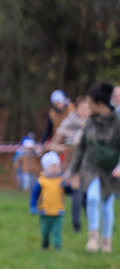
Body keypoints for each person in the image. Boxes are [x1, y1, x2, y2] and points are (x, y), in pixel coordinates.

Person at [65, 82, 120, 253]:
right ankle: (93, 236)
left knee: (107, 205)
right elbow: (81, 147)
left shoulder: (118, 122)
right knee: (93, 198)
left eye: (90, 103)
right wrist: (71, 171)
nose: (88, 107)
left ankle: (106, 240)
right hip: (91, 168)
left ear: (100, 103)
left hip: (111, 170)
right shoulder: (90, 122)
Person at [51, 96, 91, 231]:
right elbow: (53, 144)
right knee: (77, 191)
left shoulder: (96, 125)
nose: (86, 111)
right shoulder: (68, 124)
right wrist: (62, 148)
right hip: (73, 164)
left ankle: (92, 224)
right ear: (77, 110)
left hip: (91, 164)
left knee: (88, 196)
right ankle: (76, 224)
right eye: (83, 108)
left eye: (88, 108)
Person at [29, 151, 70, 250]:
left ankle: (57, 245)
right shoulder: (41, 181)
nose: (55, 169)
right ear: (46, 168)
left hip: (58, 210)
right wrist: (33, 206)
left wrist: (67, 186)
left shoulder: (61, 180)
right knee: (45, 230)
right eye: (52, 167)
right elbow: (34, 194)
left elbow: (69, 192)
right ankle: (45, 244)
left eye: (57, 167)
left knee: (57, 230)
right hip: (45, 211)